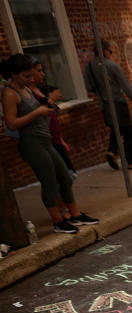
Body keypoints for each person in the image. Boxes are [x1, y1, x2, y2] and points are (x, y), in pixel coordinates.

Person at [1, 54, 98, 234]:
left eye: (32, 75)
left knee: (65, 177)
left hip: (45, 140)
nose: (31, 79)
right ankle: (58, 221)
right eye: (26, 76)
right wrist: (37, 113)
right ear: (13, 74)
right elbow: (11, 123)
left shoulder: (26, 89)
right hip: (31, 143)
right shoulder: (9, 93)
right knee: (49, 182)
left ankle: (75, 214)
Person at [84, 41, 132, 170]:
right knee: (127, 132)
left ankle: (112, 151)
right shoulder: (112, 66)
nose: (111, 54)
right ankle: (129, 161)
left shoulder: (89, 67)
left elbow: (89, 87)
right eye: (110, 51)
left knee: (116, 129)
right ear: (104, 51)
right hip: (118, 103)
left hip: (104, 104)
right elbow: (125, 84)